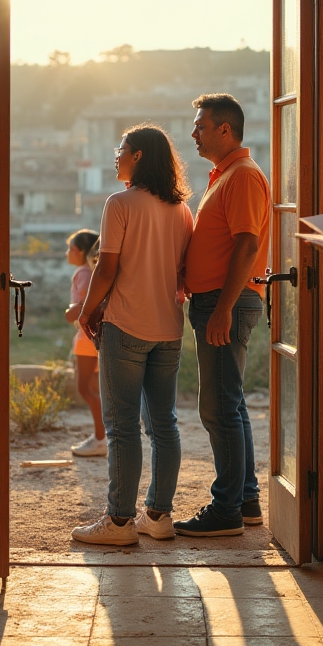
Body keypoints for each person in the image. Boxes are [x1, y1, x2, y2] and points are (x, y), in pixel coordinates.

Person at [72, 124, 194, 545]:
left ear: (138, 155)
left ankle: (120, 522)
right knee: (164, 425)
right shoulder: (182, 210)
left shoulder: (119, 203)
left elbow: (106, 269)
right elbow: (182, 272)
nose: (116, 155)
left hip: (125, 326)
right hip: (168, 329)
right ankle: (158, 516)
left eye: (120, 148)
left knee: (122, 427)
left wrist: (87, 312)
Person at [174, 93, 270, 538]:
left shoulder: (243, 176)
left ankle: (226, 509)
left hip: (224, 302)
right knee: (230, 404)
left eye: (201, 126)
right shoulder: (226, 175)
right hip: (216, 301)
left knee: (217, 409)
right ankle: (245, 500)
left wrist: (223, 310)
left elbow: (248, 244)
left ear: (225, 129)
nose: (193, 133)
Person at [63, 229, 106, 458]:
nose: (67, 253)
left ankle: (101, 438)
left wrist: (70, 313)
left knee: (84, 388)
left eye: (70, 249)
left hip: (86, 339)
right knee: (94, 388)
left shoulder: (83, 272)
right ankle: (102, 437)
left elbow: (82, 306)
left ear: (80, 252)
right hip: (96, 336)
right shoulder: (95, 271)